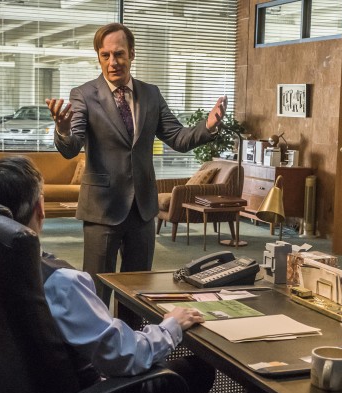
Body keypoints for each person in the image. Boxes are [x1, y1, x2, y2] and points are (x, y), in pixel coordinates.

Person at [0, 155, 215, 393]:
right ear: (40, 209)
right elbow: (123, 357)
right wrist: (170, 327)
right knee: (197, 369)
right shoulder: (60, 282)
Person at [45, 22, 227, 304]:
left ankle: (133, 333)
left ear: (132, 53)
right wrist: (63, 129)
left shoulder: (151, 94)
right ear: (99, 57)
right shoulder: (84, 94)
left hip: (142, 209)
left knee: (138, 290)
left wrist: (208, 126)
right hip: (102, 209)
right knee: (96, 291)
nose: (112, 62)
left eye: (119, 54)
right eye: (105, 55)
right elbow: (71, 148)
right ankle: (98, 335)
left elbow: (178, 138)